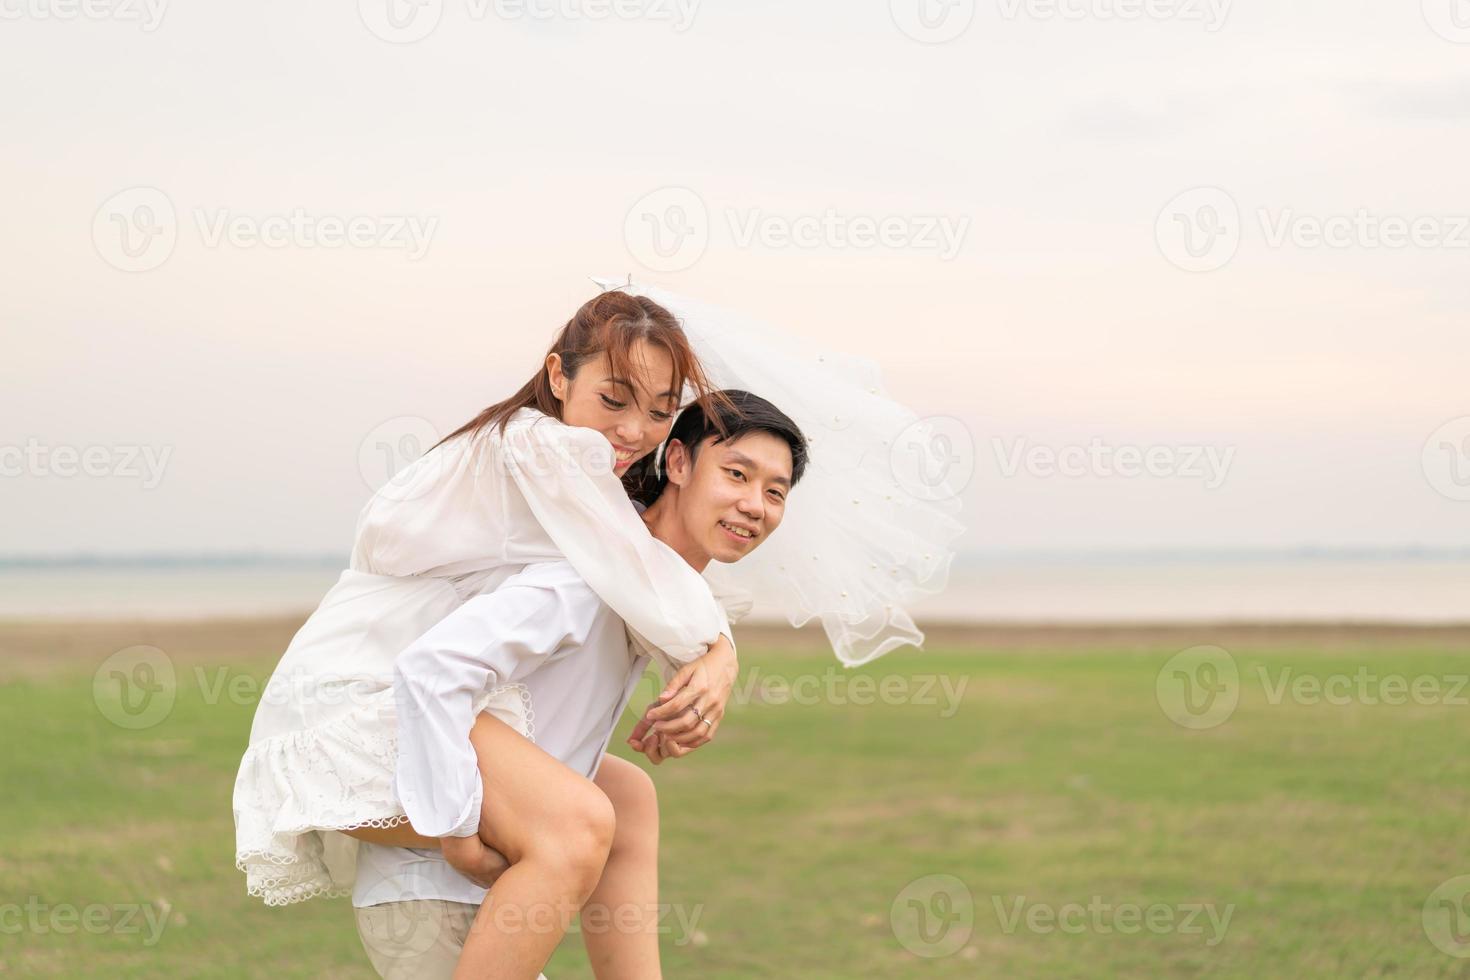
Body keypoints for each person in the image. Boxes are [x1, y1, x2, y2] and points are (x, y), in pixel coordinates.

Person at [234, 290, 743, 908]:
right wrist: (718, 652)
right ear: (557, 375)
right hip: (355, 710)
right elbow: (633, 570)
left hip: (348, 695)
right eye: (613, 400)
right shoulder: (541, 447)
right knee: (575, 822)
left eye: (662, 412)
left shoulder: (542, 456)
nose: (635, 431)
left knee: (626, 798)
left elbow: (632, 559)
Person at [353, 391, 807, 979]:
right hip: (435, 892)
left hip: (490, 892)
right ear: (677, 463)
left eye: (775, 492)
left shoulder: (654, 593)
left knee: (628, 794)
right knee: (592, 809)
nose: (754, 505)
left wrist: (723, 654)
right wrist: (458, 834)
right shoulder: (580, 579)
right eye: (737, 474)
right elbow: (429, 669)